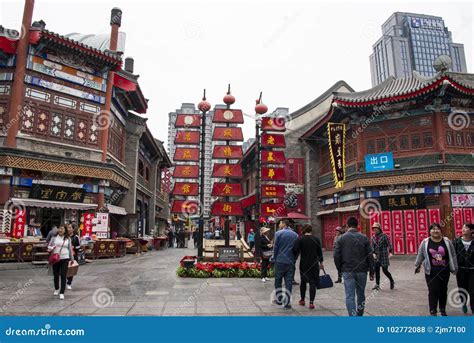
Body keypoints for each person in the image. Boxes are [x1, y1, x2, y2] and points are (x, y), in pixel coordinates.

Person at [415, 222, 458, 316]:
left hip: (444, 271)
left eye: (437, 229)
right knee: (433, 290)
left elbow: (453, 254)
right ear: (430, 231)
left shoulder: (447, 241)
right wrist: (417, 264)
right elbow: (420, 254)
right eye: (433, 229)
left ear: (440, 230)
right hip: (430, 272)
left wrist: (455, 267)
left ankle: (442, 309)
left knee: (443, 290)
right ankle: (433, 310)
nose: (435, 231)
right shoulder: (425, 242)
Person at [334, 217, 374, 316]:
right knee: (361, 295)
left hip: (347, 271)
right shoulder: (364, 237)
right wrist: (372, 271)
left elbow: (336, 255)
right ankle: (359, 315)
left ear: (347, 226)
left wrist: (339, 269)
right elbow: (370, 255)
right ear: (357, 226)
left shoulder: (341, 238)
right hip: (362, 271)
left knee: (350, 296)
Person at [293, 225, 323, 310]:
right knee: (312, 282)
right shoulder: (316, 239)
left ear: (303, 230)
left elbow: (295, 250)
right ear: (311, 230)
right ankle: (311, 303)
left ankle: (302, 300)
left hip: (304, 263)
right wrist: (321, 262)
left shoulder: (300, 239)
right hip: (314, 264)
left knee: (303, 281)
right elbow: (319, 252)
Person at [272, 219, 298, 308]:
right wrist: (294, 259)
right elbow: (296, 249)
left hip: (280, 261)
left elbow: (275, 248)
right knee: (289, 282)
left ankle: (279, 300)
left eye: (280, 223)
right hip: (290, 261)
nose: (279, 225)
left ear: (283, 224)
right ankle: (287, 302)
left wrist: (274, 257)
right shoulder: (295, 235)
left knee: (278, 281)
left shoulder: (278, 233)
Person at [48, 225, 74, 300]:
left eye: (62, 229)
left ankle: (62, 292)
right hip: (55, 259)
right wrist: (50, 248)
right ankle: (56, 288)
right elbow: (49, 246)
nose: (60, 230)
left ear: (65, 230)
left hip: (65, 258)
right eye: (59, 229)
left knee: (63, 275)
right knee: (56, 275)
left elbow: (70, 249)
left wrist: (72, 259)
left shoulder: (68, 239)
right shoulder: (54, 238)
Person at [453, 223, 474, 314]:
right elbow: (452, 255)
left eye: (466, 228)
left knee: (473, 291)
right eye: (463, 228)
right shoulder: (456, 242)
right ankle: (464, 303)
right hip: (461, 270)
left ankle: (473, 309)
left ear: (472, 230)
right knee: (462, 289)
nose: (463, 229)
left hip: (472, 269)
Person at [371, 222, 395, 290]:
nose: (375, 230)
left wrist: (390, 252)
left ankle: (392, 281)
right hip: (376, 256)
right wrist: (373, 253)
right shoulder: (373, 237)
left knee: (385, 271)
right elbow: (372, 246)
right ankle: (377, 285)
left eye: (376, 228)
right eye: (374, 228)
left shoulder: (384, 236)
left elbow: (389, 244)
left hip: (383, 256)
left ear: (379, 229)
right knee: (377, 271)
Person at [66, 224, 81, 290]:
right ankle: (65, 280)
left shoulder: (76, 237)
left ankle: (69, 283)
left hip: (73, 255)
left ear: (73, 229)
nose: (68, 229)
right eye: (67, 227)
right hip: (65, 255)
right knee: (64, 269)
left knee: (71, 269)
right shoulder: (65, 237)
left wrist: (74, 247)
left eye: (70, 227)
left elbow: (79, 246)